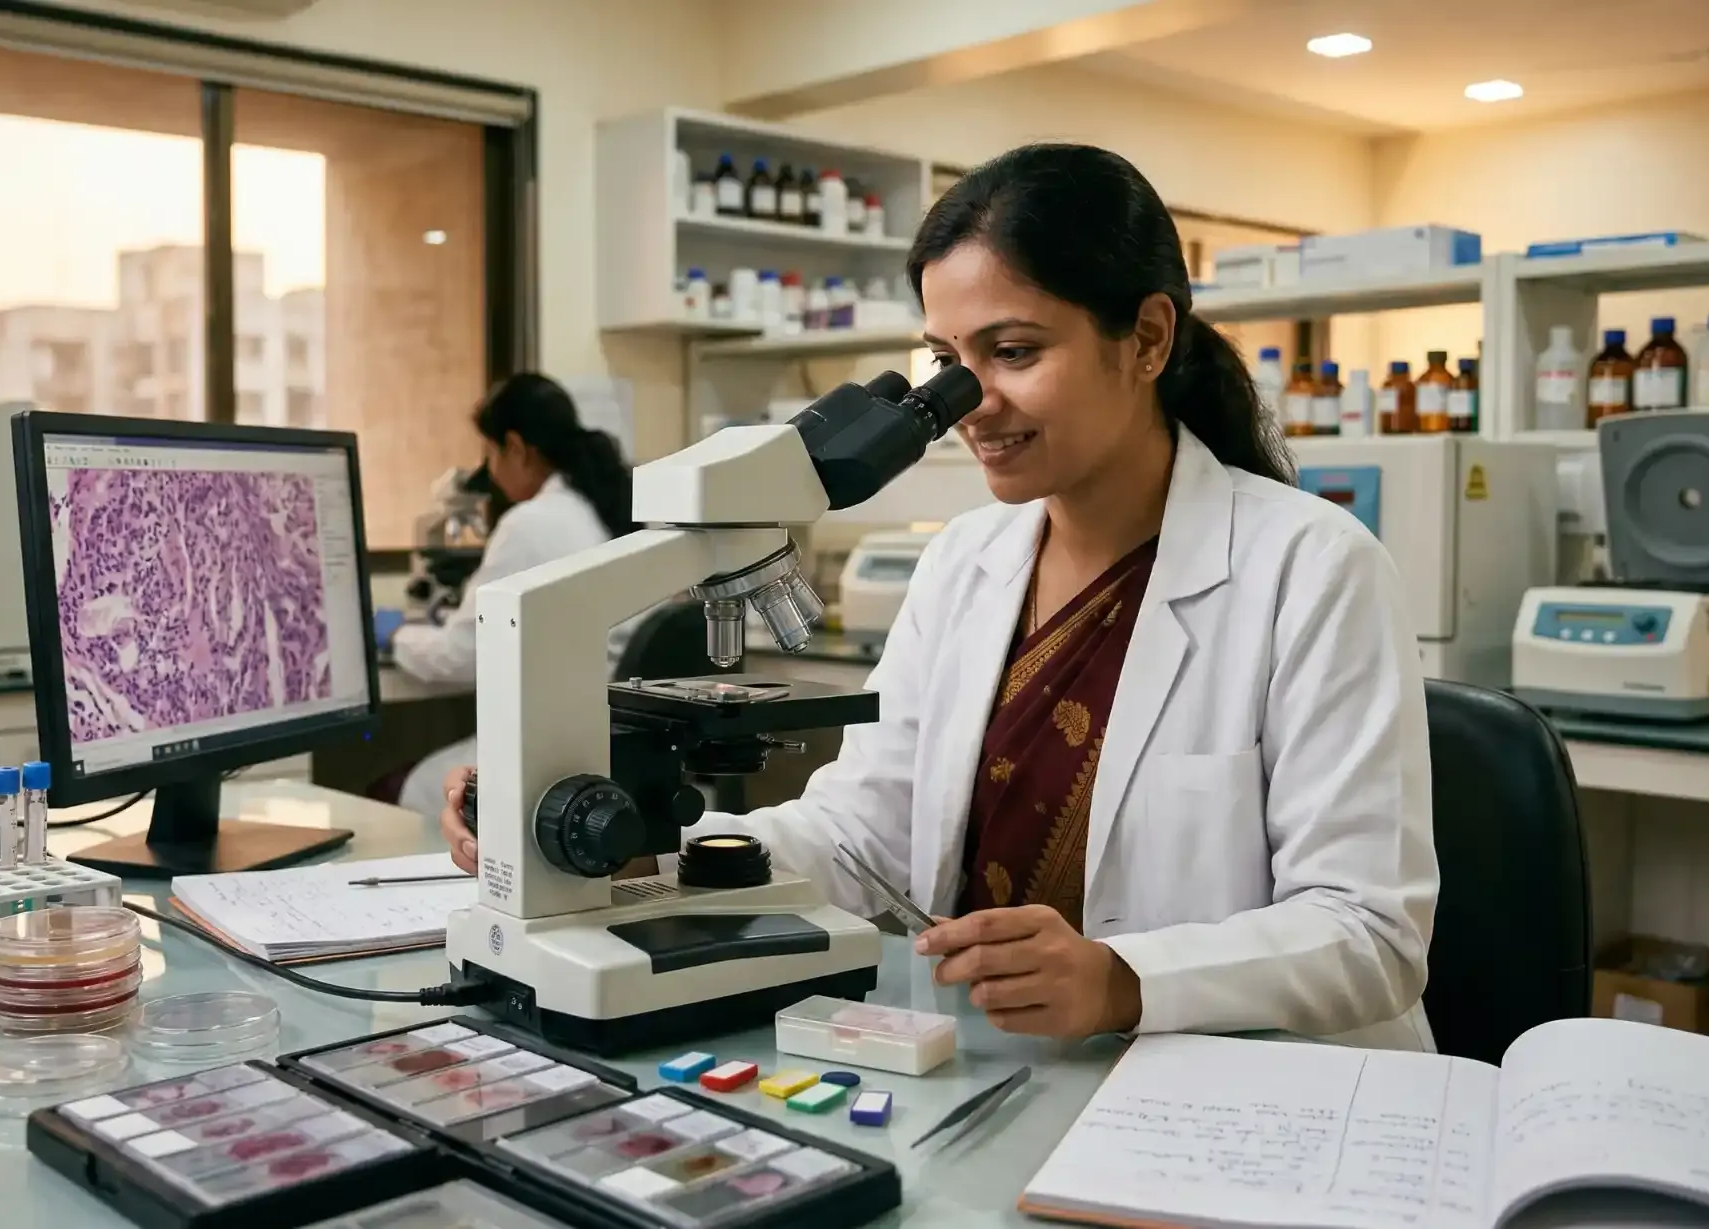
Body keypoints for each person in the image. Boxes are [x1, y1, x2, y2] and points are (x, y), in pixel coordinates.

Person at [439, 144, 1436, 1049]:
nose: (972, 406)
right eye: (950, 363)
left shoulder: (1312, 568)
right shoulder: (965, 560)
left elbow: (1369, 933)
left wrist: (1123, 978)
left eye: (1013, 352)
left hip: (1238, 1090)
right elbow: (860, 837)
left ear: (1145, 337)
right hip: (1002, 1062)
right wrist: (621, 852)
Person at [392, 373, 633, 812]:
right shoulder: (605, 511)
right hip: (608, 746)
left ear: (516, 448)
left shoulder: (530, 524)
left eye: (491, 453)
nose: (490, 470)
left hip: (555, 755)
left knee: (408, 787)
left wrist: (396, 636)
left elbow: (461, 656)